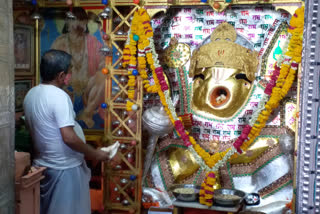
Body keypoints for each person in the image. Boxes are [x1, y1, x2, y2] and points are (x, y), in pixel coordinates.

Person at [23, 49, 111, 214]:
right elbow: (69, 138)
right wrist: (94, 154)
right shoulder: (59, 96)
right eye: (70, 71)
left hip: (42, 165)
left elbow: (32, 128)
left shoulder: (31, 94)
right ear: (61, 75)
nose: (71, 74)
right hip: (65, 171)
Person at [51, 7, 106, 128]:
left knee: (103, 76)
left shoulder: (92, 41)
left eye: (81, 20)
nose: (78, 24)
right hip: (66, 89)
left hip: (88, 92)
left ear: (86, 23)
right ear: (67, 23)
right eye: (74, 20)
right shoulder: (59, 43)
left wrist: (100, 68)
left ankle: (87, 113)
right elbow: (52, 69)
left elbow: (104, 62)